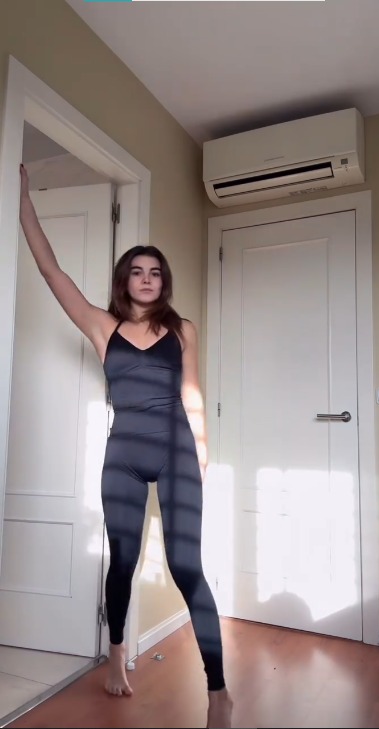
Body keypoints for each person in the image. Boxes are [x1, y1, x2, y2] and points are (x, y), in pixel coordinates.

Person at [18, 164, 232, 728]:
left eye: (155, 272)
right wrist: (21, 200)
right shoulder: (101, 327)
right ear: (124, 280)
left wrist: (202, 456)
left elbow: (192, 393)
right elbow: (50, 269)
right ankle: (117, 652)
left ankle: (218, 692)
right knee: (124, 561)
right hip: (124, 458)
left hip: (177, 450)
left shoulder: (182, 329)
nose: (146, 279)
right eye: (136, 271)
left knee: (186, 567)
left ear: (164, 282)